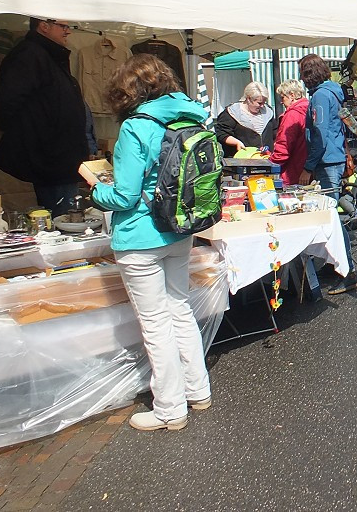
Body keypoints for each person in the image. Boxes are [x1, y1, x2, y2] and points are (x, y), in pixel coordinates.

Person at [79, 54, 211, 431]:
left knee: (155, 323)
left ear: (128, 90)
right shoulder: (192, 114)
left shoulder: (137, 127)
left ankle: (170, 408)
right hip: (181, 228)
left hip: (140, 235)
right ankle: (197, 390)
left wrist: (95, 188)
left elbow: (124, 196)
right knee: (180, 310)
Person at [0, 17, 89, 216]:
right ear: (44, 26)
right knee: (62, 217)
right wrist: (35, 136)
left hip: (61, 155)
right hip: (50, 157)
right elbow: (6, 102)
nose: (68, 31)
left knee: (66, 215)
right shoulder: (30, 54)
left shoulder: (48, 55)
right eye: (63, 26)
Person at [298, 54, 357, 296]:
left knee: (331, 217)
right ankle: (339, 266)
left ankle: (348, 271)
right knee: (330, 214)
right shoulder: (330, 92)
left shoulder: (321, 96)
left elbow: (321, 134)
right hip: (331, 159)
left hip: (326, 161)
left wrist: (308, 166)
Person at [214, 82, 278, 155]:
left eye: (264, 102)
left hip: (266, 159)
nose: (262, 106)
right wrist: (236, 142)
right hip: (241, 161)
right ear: (248, 99)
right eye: (259, 103)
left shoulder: (268, 112)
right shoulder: (232, 113)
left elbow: (275, 132)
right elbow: (220, 133)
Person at [269, 79, 309, 186]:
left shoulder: (293, 114)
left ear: (292, 95)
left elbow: (284, 144)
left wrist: (271, 161)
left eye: (283, 97)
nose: (281, 102)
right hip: (307, 168)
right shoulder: (309, 109)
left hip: (292, 170)